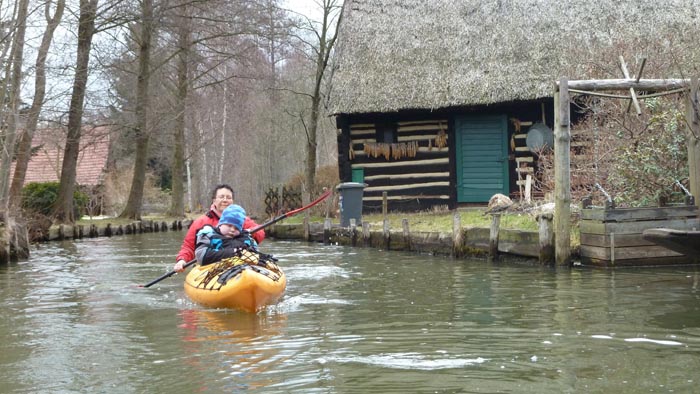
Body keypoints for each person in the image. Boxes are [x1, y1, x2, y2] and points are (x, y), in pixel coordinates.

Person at [173, 184, 264, 272]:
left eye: (228, 197)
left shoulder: (242, 220)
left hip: (238, 264)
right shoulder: (200, 223)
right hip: (210, 264)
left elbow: (260, 234)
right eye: (221, 197)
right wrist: (182, 260)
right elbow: (188, 246)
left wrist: (247, 232)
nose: (225, 200)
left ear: (232, 201)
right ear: (214, 200)